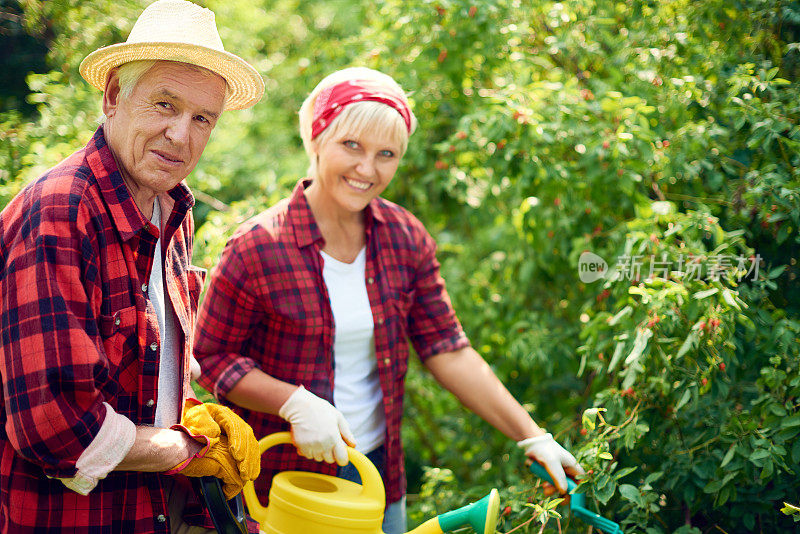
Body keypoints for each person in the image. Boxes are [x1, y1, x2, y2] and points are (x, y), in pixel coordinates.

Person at [193, 67, 583, 534]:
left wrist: (531, 435)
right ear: (317, 139)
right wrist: (294, 402)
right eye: (351, 145)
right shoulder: (257, 246)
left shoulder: (404, 238)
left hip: (373, 475)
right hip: (281, 484)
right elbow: (210, 357)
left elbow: (448, 349)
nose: (367, 169)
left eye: (386, 155)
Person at [0, 1, 265, 532]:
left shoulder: (170, 210)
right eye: (165, 104)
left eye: (201, 119)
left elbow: (148, 367)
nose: (180, 136)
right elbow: (56, 428)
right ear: (115, 96)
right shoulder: (60, 213)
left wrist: (188, 413)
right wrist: (183, 449)